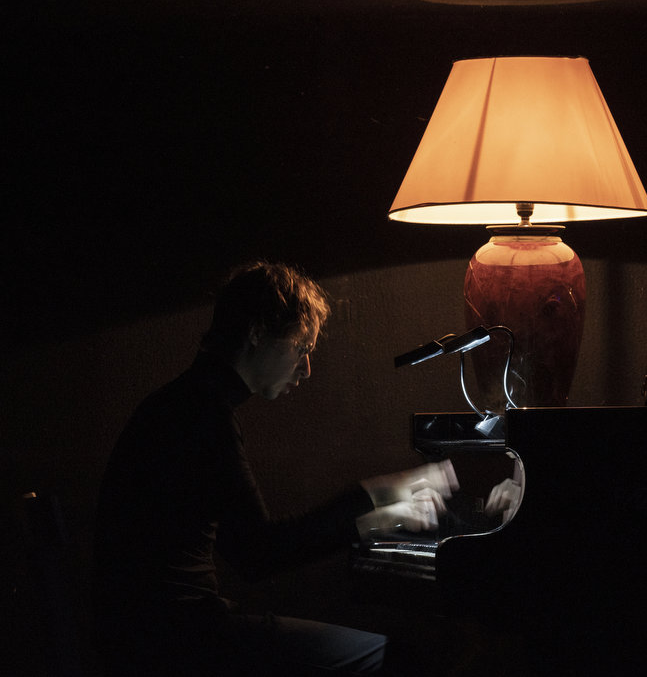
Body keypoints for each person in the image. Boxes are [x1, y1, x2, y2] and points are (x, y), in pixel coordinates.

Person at [92, 261, 457, 676]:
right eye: (301, 349)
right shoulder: (203, 415)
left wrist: (379, 499)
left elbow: (245, 546)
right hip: (177, 642)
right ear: (257, 333)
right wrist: (382, 512)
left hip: (144, 637)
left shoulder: (182, 403)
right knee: (399, 660)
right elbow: (260, 554)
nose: (306, 369)